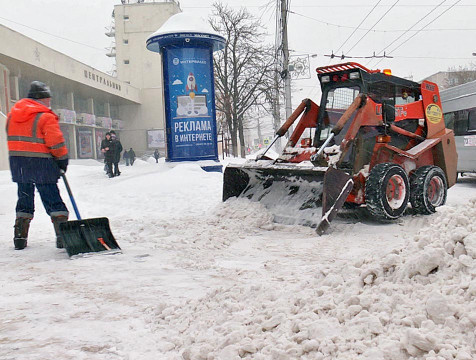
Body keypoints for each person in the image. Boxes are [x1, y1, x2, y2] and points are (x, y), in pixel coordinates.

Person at [6, 81, 69, 250]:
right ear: (41, 99)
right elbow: (56, 143)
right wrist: (62, 160)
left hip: (19, 163)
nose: (49, 102)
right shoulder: (45, 116)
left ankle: (20, 237)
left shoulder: (13, 115)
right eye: (48, 99)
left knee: (24, 197)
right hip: (42, 164)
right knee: (51, 197)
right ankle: (63, 235)